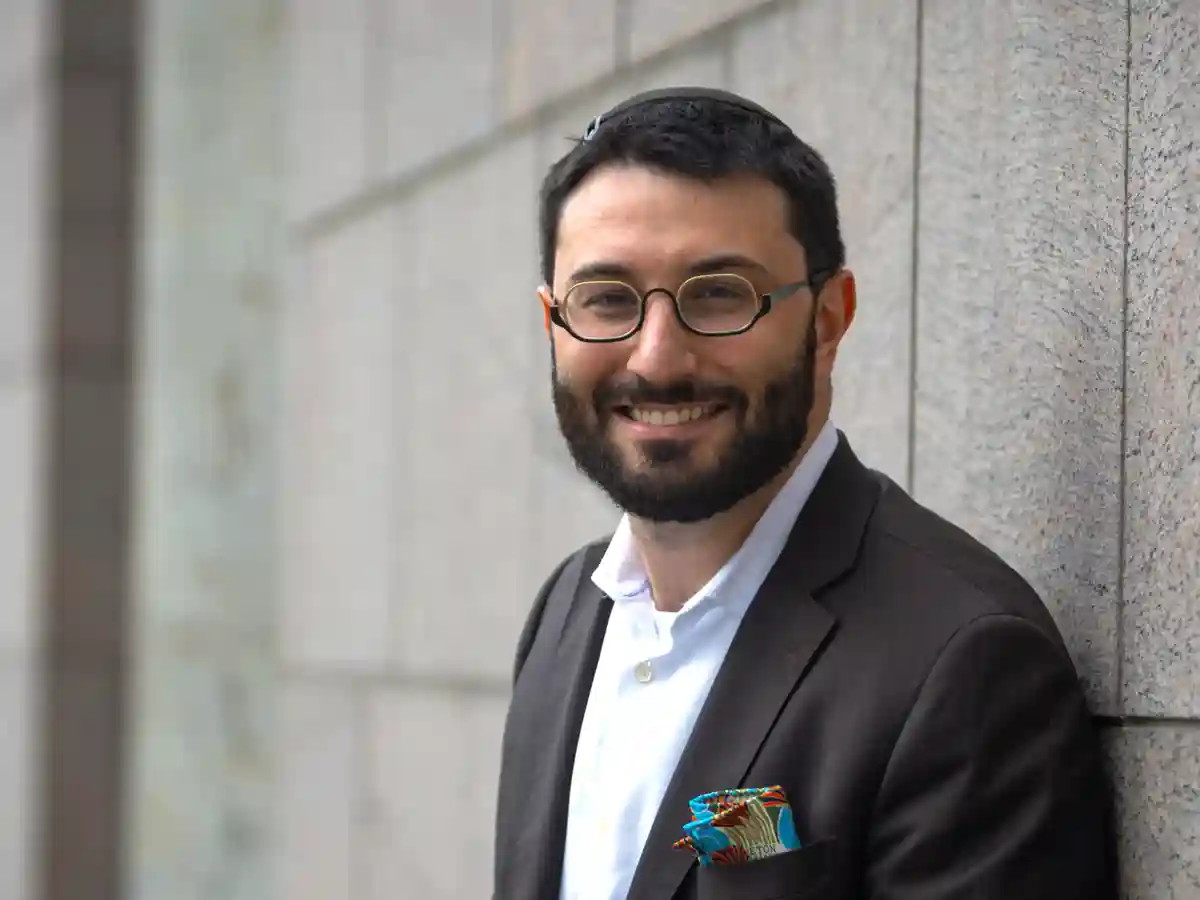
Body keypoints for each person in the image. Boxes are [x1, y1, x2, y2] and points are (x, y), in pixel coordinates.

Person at [493, 87, 1117, 900]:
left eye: (719, 292)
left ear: (826, 320)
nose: (656, 358)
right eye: (606, 299)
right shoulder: (565, 614)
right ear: (554, 322)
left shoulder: (962, 664)